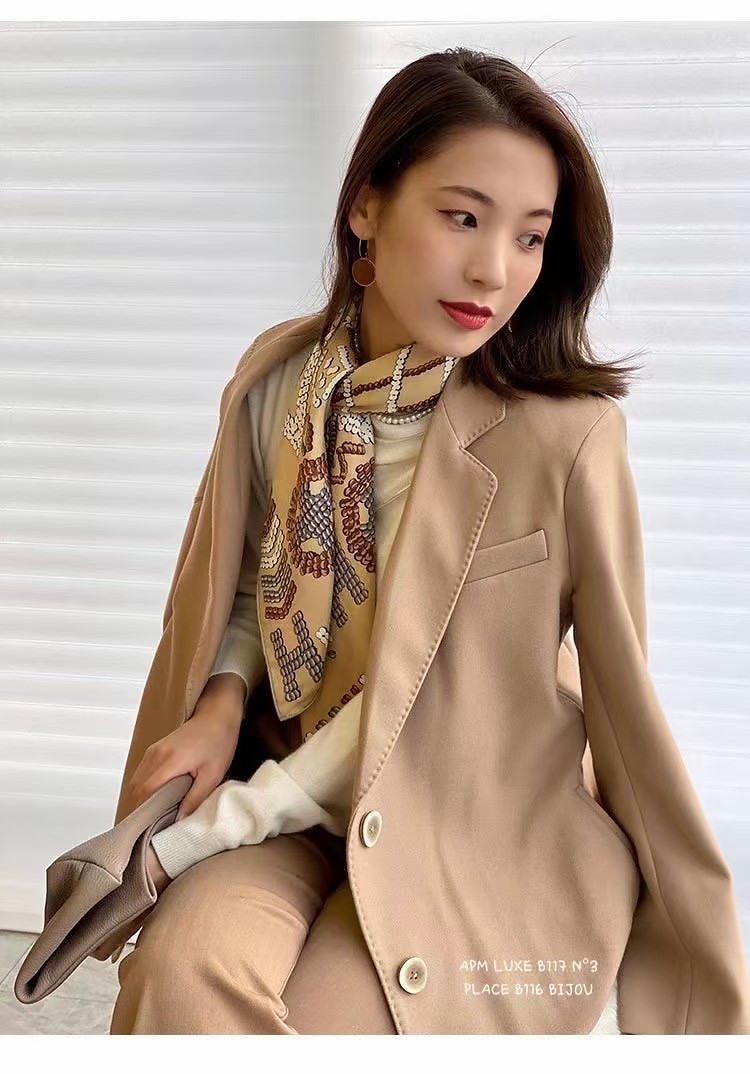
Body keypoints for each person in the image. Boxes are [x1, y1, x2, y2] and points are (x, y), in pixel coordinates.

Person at [108, 46, 750, 1035]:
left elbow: (623, 715)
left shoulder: (566, 440)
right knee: (182, 980)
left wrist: (698, 995)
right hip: (288, 803)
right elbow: (251, 578)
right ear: (367, 205)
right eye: (463, 218)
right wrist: (222, 705)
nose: (496, 270)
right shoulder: (280, 381)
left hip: (477, 831)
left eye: (530, 237)